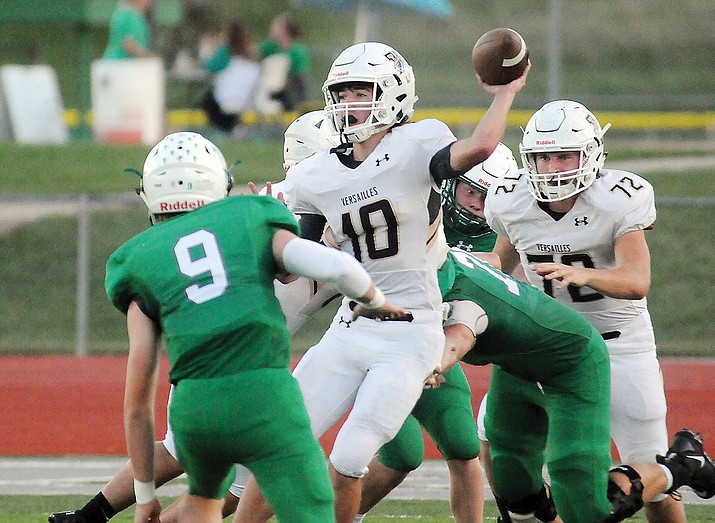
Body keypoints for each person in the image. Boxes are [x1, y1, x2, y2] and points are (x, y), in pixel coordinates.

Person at [231, 41, 529, 523]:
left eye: (361, 90)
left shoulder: (418, 143)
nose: (350, 103)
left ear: (393, 93)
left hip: (411, 330)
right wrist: (261, 223)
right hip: (352, 328)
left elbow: (481, 147)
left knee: (350, 457)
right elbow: (294, 265)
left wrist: (505, 93)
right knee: (282, 440)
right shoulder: (316, 172)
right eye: (342, 92)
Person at [53, 131, 408, 523]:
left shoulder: (137, 259)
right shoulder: (253, 217)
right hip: (264, 393)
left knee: (203, 499)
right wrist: (379, 301)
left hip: (195, 403)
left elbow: (137, 404)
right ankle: (91, 514)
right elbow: (333, 268)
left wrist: (144, 496)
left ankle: (90, 516)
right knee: (306, 508)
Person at [484, 100, 688, 522]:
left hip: (618, 346)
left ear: (591, 154)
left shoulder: (617, 199)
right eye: (543, 156)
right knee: (493, 437)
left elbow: (636, 281)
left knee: (647, 478)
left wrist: (584, 276)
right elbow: (499, 263)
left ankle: (679, 468)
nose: (553, 167)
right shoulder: (510, 198)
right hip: (546, 346)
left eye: (564, 155)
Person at [431, 246, 715, 523]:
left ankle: (682, 463)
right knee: (514, 491)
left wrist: (426, 366)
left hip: (570, 363)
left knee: (587, 508)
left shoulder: (455, 295)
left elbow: (459, 338)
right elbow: (489, 261)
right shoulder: (437, 264)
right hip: (517, 365)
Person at [354, 143, 519, 523]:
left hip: (435, 346)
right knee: (402, 454)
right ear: (450, 183)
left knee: (463, 445)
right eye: (472, 191)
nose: (478, 204)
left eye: (488, 196)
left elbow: (499, 266)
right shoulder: (415, 203)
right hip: (380, 341)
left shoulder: (499, 234)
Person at [199, 21, 262, 135]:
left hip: (226, 98)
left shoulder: (226, 52)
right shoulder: (251, 55)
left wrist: (206, 51)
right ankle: (236, 127)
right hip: (249, 97)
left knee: (206, 100)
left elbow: (210, 66)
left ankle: (231, 129)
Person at [257, 12, 311, 111]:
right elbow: (255, 57)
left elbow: (300, 75)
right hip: (271, 90)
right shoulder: (270, 47)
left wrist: (282, 85)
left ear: (284, 30)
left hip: (289, 92)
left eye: (275, 27)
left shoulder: (297, 51)